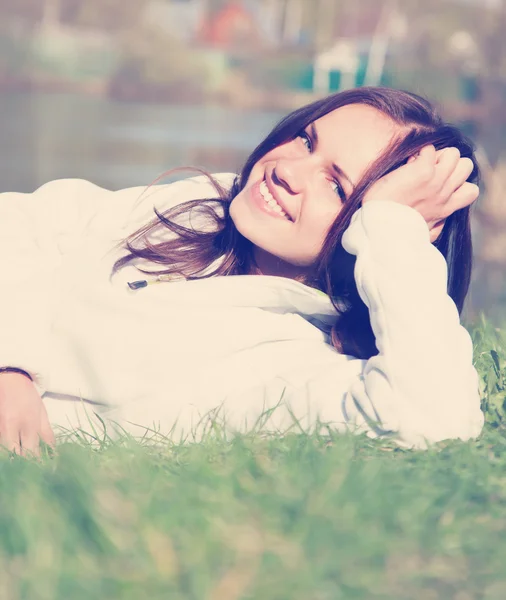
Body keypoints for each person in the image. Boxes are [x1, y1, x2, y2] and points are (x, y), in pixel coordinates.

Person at [0, 87, 484, 455]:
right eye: (304, 140)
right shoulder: (199, 206)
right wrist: (12, 366)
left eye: (336, 186)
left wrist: (394, 227)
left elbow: (433, 418)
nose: (287, 170)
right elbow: (23, 221)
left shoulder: (299, 363)